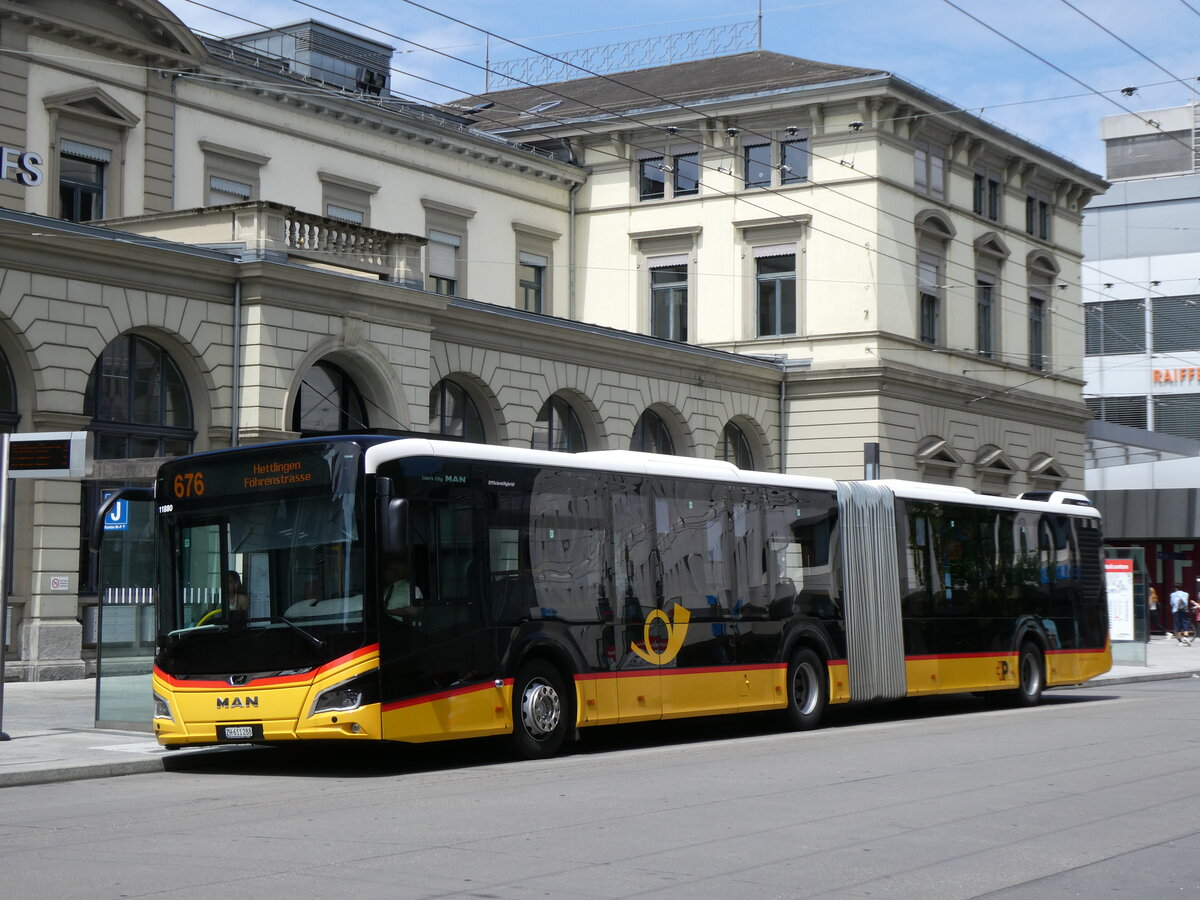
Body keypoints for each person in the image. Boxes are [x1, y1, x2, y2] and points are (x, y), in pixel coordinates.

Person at [383, 556, 422, 621]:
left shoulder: (412, 589)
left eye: (387, 569)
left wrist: (386, 612)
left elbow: (414, 610)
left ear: (396, 572)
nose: (385, 572)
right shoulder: (384, 590)